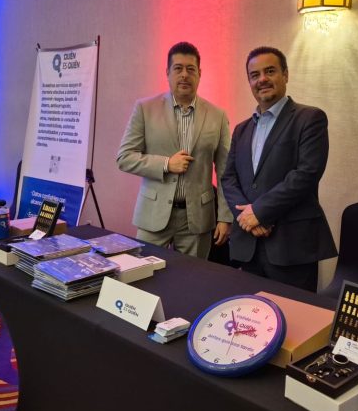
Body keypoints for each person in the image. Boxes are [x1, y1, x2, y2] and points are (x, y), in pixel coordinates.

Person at [222, 46, 337, 292]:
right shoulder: (241, 130)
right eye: (254, 75)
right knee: (252, 312)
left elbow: (305, 175)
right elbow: (229, 179)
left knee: (296, 313)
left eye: (270, 71)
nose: (262, 79)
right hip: (248, 245)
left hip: (291, 247)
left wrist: (259, 212)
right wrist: (248, 219)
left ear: (285, 74)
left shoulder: (310, 118)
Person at [117, 41, 232, 259]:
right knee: (145, 274)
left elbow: (225, 170)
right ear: (167, 73)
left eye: (191, 69)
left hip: (197, 220)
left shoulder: (218, 116)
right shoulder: (145, 109)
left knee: (192, 277)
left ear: (200, 74)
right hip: (153, 215)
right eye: (178, 68)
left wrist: (225, 217)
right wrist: (166, 164)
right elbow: (124, 157)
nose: (184, 75)